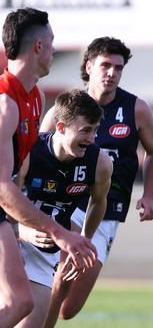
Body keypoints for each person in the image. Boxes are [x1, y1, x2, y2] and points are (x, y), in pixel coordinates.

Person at [31, 36, 153, 327]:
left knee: (69, 307)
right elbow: (38, 152)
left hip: (106, 208)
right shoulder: (64, 109)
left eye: (118, 68)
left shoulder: (136, 109)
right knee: (60, 274)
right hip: (66, 201)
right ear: (89, 67)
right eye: (106, 65)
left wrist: (150, 195)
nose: (112, 73)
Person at [0, 7, 96, 327]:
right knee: (18, 302)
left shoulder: (36, 98)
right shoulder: (5, 106)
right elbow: (2, 186)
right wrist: (57, 231)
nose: (55, 50)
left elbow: (19, 175)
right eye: (52, 43)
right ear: (39, 47)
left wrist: (22, 228)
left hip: (6, 215)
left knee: (21, 303)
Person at [15, 89, 112, 328]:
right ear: (60, 128)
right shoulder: (28, 152)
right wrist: (21, 230)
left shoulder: (99, 163)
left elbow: (99, 202)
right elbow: (4, 197)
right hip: (10, 241)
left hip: (41, 256)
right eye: (85, 130)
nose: (91, 139)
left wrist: (83, 242)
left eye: (95, 130)